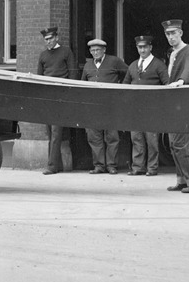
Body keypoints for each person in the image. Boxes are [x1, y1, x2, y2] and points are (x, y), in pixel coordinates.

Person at [161, 19, 189, 194]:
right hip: (174, 103)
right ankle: (182, 181)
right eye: (167, 34)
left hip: (185, 102)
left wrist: (181, 81)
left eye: (174, 33)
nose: (171, 37)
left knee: (180, 143)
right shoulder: (172, 53)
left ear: (181, 33)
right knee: (173, 144)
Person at [121, 34, 169, 176]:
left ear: (150, 47)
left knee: (151, 139)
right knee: (136, 138)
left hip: (152, 109)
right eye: (140, 47)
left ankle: (152, 168)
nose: (142, 50)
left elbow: (167, 84)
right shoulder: (133, 65)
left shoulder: (159, 65)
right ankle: (138, 167)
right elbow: (125, 84)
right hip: (135, 108)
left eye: (145, 47)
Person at [80, 38, 127, 174]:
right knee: (94, 136)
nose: (95, 52)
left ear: (104, 50)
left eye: (98, 50)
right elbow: (83, 84)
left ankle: (111, 165)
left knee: (112, 136)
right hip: (93, 107)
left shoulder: (114, 61)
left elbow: (128, 74)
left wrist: (120, 89)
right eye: (93, 50)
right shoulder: (88, 65)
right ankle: (99, 165)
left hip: (110, 105)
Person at [36, 26, 79, 174]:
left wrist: (69, 95)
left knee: (56, 131)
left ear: (56, 38)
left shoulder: (66, 52)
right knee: (50, 131)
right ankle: (58, 164)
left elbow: (73, 74)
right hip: (48, 96)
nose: (48, 42)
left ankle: (52, 166)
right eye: (45, 39)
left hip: (61, 95)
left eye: (50, 39)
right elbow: (39, 78)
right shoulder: (43, 55)